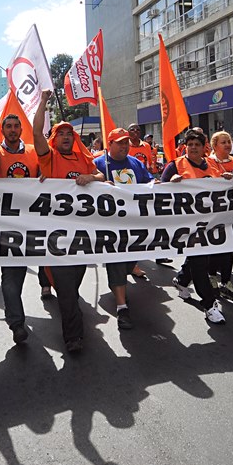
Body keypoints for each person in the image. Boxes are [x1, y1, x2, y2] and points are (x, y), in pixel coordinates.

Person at [32, 93, 105, 353]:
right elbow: (36, 135)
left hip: (82, 235)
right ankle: (73, 336)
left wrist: (91, 176)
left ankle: (71, 311)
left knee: (73, 283)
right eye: (61, 133)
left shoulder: (81, 158)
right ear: (54, 138)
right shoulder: (49, 158)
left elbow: (101, 174)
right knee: (66, 288)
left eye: (69, 134)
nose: (66, 136)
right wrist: (42, 103)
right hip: (56, 236)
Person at [0, 105, 39, 345]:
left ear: (21, 129)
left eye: (16, 126)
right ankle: (17, 322)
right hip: (4, 225)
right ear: (3, 130)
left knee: (19, 274)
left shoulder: (33, 152)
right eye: (8, 126)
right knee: (9, 275)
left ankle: (14, 311)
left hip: (30, 224)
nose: (13, 130)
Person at [165, 129, 233, 324]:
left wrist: (226, 180)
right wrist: (170, 183)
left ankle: (181, 280)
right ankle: (209, 304)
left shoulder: (212, 166)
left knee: (200, 259)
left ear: (204, 147)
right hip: (186, 226)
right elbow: (158, 193)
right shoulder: (175, 166)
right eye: (190, 145)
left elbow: (220, 189)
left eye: (197, 145)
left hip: (209, 225)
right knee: (200, 263)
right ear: (185, 147)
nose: (193, 148)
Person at [94, 128, 153, 330]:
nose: (125, 146)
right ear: (109, 144)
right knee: (117, 263)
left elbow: (149, 181)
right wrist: (99, 183)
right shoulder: (98, 163)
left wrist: (161, 185)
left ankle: (121, 280)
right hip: (111, 228)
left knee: (127, 263)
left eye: (127, 142)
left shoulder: (136, 163)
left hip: (134, 226)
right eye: (120, 142)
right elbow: (83, 184)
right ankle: (122, 307)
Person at [206, 130, 233, 299]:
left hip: (232, 213)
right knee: (215, 247)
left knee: (229, 248)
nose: (228, 145)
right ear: (214, 145)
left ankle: (226, 282)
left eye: (229, 141)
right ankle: (212, 278)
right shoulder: (208, 162)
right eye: (223, 142)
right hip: (213, 213)